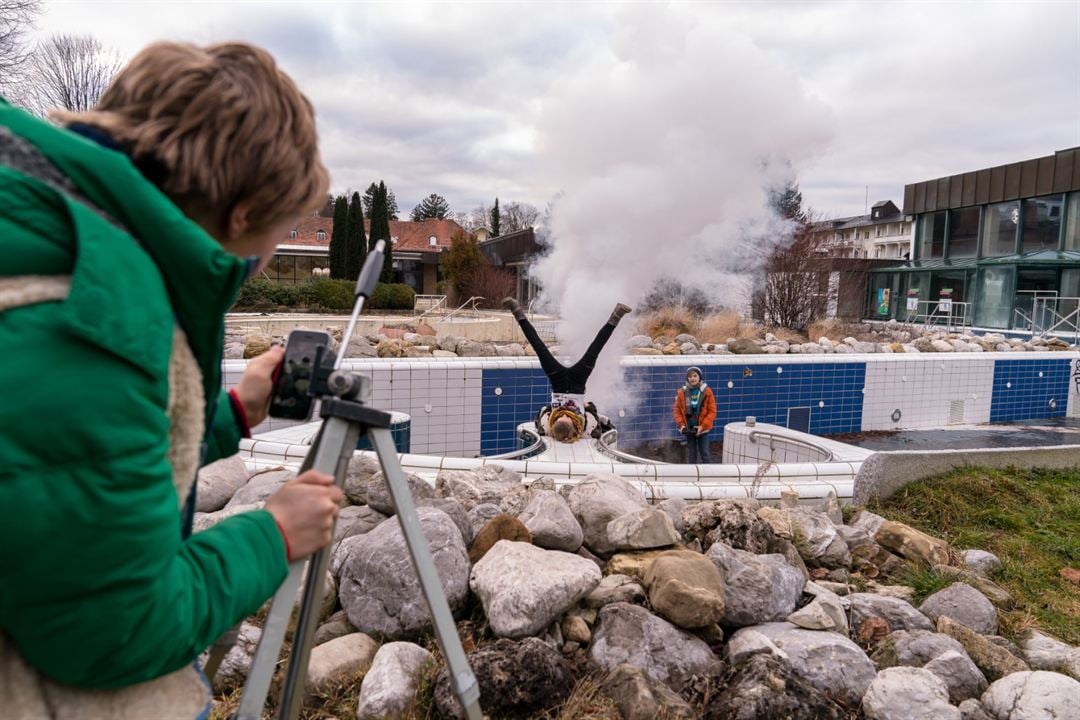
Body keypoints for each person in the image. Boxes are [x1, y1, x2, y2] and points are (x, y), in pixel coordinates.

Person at [0, 42, 342, 718]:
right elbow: (117, 628)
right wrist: (272, 533)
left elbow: (75, 465)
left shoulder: (49, 230)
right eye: (279, 231)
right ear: (241, 215)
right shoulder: (91, 310)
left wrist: (234, 413)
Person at [504, 297, 629, 443]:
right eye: (568, 418)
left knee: (539, 348)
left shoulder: (546, 426)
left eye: (560, 417)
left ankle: (516, 311)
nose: (564, 414)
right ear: (575, 428)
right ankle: (617, 314)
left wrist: (551, 408)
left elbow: (541, 412)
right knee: (595, 349)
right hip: (578, 383)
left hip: (558, 382)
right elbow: (594, 413)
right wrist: (588, 406)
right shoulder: (588, 428)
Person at [673, 366, 717, 463]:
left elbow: (712, 411)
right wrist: (681, 425)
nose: (692, 378)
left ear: (699, 377)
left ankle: (707, 475)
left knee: (705, 453)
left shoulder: (707, 392)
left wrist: (703, 426)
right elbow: (677, 410)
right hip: (689, 429)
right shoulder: (682, 392)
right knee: (691, 455)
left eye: (695, 376)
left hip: (703, 429)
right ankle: (692, 476)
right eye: (690, 376)